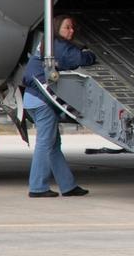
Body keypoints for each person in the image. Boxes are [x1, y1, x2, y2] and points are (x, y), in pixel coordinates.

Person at [22, 15, 96, 197]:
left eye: (72, 28)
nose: (71, 31)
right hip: (42, 102)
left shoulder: (48, 44)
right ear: (57, 29)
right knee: (45, 144)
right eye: (67, 28)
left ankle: (68, 185)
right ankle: (37, 187)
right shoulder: (60, 47)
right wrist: (89, 53)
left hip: (33, 99)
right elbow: (79, 59)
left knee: (53, 144)